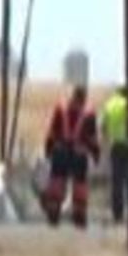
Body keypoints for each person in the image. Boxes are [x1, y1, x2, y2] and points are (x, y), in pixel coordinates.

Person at [42, 85, 100, 228]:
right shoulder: (89, 113)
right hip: (79, 153)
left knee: (57, 180)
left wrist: (48, 150)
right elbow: (92, 138)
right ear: (84, 98)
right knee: (79, 184)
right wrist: (95, 153)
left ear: (73, 96)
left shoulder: (61, 109)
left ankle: (53, 213)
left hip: (60, 150)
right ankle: (79, 215)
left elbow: (52, 132)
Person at [100, 86, 128, 223]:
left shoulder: (109, 105)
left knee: (116, 182)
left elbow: (103, 126)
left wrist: (108, 140)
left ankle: (117, 214)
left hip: (115, 146)